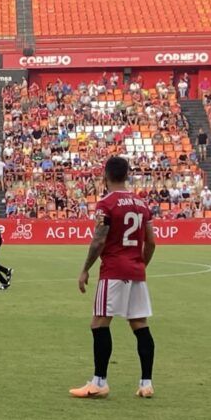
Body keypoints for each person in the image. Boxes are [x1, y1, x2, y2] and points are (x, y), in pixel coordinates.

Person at [72, 156, 157, 399]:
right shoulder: (142, 204)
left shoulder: (106, 204)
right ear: (127, 175)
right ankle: (146, 383)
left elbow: (99, 239)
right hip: (136, 271)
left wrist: (85, 268)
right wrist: (140, 264)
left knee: (99, 323)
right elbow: (151, 242)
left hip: (113, 271)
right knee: (140, 324)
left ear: (105, 176)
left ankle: (99, 382)